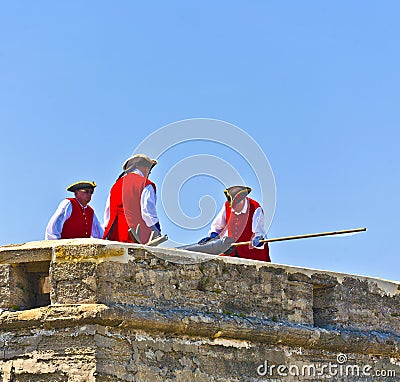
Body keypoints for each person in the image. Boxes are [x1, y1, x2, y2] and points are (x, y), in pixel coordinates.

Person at [198, 185, 270, 262]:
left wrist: (258, 240)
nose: (233, 208)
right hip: (232, 253)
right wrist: (214, 238)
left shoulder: (255, 208)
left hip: (252, 255)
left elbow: (260, 233)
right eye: (231, 206)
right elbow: (217, 226)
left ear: (242, 200)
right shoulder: (227, 206)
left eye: (235, 205)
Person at [103, 154, 161, 244]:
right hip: (135, 239)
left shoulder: (115, 186)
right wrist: (157, 230)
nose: (149, 172)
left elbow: (107, 216)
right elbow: (148, 213)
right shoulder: (146, 184)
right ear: (145, 168)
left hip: (114, 239)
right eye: (149, 169)